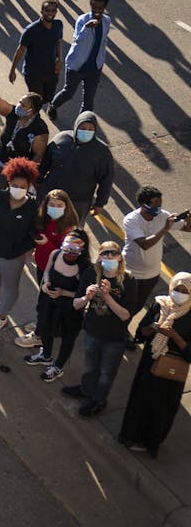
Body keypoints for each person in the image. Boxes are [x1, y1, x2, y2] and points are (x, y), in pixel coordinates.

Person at [118, 273, 191, 458]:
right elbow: (140, 333)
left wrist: (174, 336)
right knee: (141, 399)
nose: (179, 293)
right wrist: (152, 329)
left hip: (173, 366)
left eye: (184, 291)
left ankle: (151, 442)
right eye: (177, 289)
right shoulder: (160, 304)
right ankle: (130, 436)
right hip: (150, 360)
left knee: (163, 407)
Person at [61, 240, 132, 416]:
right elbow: (76, 305)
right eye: (104, 253)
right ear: (99, 257)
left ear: (120, 258)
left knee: (106, 372)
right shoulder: (91, 273)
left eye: (113, 253)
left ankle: (99, 400)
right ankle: (86, 390)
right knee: (90, 366)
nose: (108, 256)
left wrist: (107, 296)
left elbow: (125, 315)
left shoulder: (128, 280)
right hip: (92, 330)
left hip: (114, 337)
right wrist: (86, 297)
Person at [23, 229, 94, 382]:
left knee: (68, 338)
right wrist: (46, 284)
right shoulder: (55, 254)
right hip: (50, 303)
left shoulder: (86, 268)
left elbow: (83, 294)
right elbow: (47, 271)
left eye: (74, 251)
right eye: (67, 248)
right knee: (45, 329)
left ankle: (58, 366)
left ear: (82, 250)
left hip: (70, 310)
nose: (69, 254)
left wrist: (63, 293)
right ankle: (45, 356)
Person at [123, 187, 187, 328]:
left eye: (160, 204)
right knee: (126, 305)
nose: (159, 208)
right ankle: (119, 332)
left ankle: (122, 329)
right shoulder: (131, 220)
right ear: (143, 205)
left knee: (137, 306)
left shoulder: (163, 215)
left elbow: (187, 227)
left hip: (151, 275)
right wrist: (165, 229)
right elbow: (144, 244)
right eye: (155, 205)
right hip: (130, 273)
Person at [39, 110, 114, 221]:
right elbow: (45, 161)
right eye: (82, 128)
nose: (86, 131)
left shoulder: (102, 152)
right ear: (76, 126)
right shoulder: (61, 138)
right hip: (50, 196)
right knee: (42, 225)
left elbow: (106, 180)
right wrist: (37, 180)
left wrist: (100, 203)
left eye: (90, 129)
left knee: (71, 232)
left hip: (78, 202)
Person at [49, 0, 110, 120]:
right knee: (68, 93)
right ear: (90, 6)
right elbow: (78, 40)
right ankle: (53, 105)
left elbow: (104, 40)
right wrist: (87, 28)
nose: (97, 11)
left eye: (100, 8)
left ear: (104, 8)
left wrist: (101, 60)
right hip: (77, 67)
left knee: (88, 101)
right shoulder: (82, 20)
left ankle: (81, 127)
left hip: (94, 68)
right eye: (94, 8)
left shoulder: (106, 21)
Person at [0, 67, 48, 170]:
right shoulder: (12, 112)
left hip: (16, 171)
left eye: (23, 105)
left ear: (32, 110)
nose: (19, 106)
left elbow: (38, 156)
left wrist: (22, 174)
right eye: (19, 102)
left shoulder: (40, 130)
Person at [10, 0, 63, 103]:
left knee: (48, 98)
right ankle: (32, 115)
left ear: (56, 12)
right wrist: (12, 70)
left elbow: (58, 42)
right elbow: (20, 51)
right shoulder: (30, 30)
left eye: (53, 11)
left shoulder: (58, 25)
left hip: (51, 71)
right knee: (36, 101)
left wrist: (60, 60)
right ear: (41, 11)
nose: (50, 14)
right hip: (34, 74)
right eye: (47, 10)